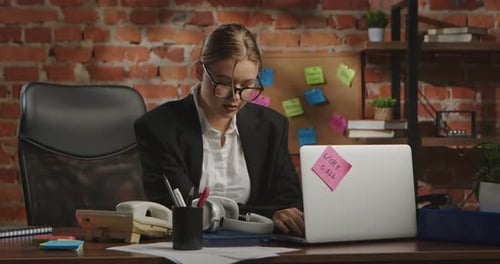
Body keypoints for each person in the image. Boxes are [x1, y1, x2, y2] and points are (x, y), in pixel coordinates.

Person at [134, 23, 304, 236]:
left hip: (258, 248)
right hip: (187, 245)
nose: (235, 97)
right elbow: (182, 208)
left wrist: (282, 214)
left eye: (247, 85)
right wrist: (267, 214)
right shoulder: (159, 127)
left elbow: (290, 203)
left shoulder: (271, 127)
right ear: (199, 72)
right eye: (223, 83)